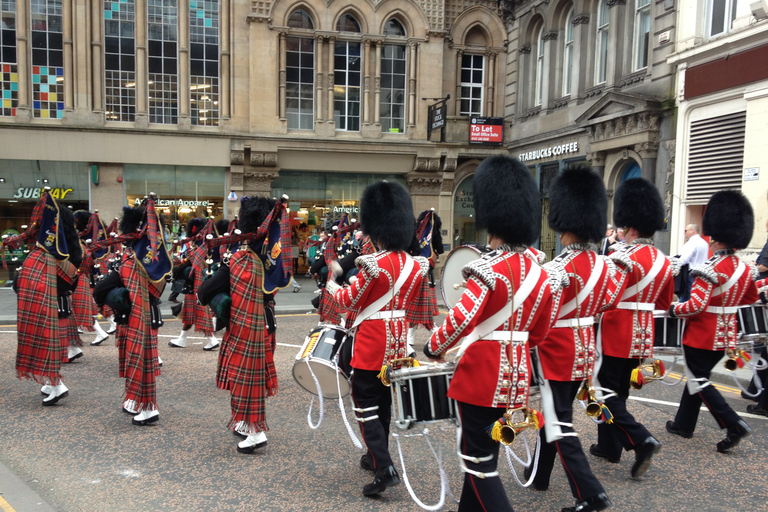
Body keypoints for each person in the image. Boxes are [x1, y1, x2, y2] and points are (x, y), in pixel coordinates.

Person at [423, 156, 555, 512]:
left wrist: (433, 346)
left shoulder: (487, 269)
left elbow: (462, 319)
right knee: (483, 459)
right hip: (516, 377)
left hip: (482, 376)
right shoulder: (542, 274)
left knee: (478, 463)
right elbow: (540, 333)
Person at [532, 165, 628, 512]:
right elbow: (610, 303)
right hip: (586, 351)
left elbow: (539, 316)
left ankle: (591, 494)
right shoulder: (608, 266)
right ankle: (539, 474)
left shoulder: (556, 269)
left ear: (564, 225)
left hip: (555, 353)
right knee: (555, 413)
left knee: (560, 424)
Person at [326, 181, 428, 497]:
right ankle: (374, 457)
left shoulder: (373, 264)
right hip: (398, 344)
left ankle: (384, 469)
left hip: (371, 343)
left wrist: (331, 288)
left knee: (365, 404)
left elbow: (348, 301)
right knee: (383, 404)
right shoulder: (415, 264)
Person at [590, 177, 674, 478]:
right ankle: (609, 448)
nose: (622, 232)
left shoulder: (622, 257)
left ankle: (641, 438)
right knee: (619, 392)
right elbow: (665, 302)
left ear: (632, 227)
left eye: (624, 227)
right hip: (642, 338)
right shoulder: (663, 261)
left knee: (602, 392)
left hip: (615, 334)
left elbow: (606, 298)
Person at [666, 190, 757, 451]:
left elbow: (695, 306)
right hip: (727, 335)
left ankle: (733, 423)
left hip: (702, 334)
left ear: (714, 238)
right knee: (699, 377)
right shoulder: (745, 268)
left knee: (699, 380)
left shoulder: (708, 269)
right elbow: (749, 299)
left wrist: (673, 309)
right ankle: (684, 424)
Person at [197, 196, 288, 454]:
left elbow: (204, 293)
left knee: (246, 379)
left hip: (245, 327)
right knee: (253, 379)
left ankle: (255, 431)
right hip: (266, 324)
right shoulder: (273, 259)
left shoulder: (239, 259)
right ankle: (245, 422)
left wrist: (214, 290)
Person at [93, 196, 170, 425]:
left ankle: (148, 408)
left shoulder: (130, 261)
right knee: (139, 362)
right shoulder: (157, 262)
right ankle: (136, 401)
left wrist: (114, 297)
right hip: (146, 315)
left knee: (140, 364)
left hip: (134, 317)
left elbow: (99, 291)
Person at [5, 188, 81, 405]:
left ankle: (56, 384)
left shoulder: (44, 256)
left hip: (47, 303)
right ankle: (51, 381)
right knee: (53, 343)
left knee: (47, 342)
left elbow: (20, 284)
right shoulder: (62, 255)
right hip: (58, 300)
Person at [168, 218, 228, 351]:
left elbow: (196, 265)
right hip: (193, 286)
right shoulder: (201, 248)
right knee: (188, 314)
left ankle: (211, 340)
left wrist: (187, 254)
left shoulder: (201, 250)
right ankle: (182, 339)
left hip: (198, 286)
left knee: (201, 313)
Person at [676, 224, 710, 301]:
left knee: (688, 297)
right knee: (694, 296)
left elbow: (684, 259)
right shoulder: (704, 243)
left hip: (691, 273)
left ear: (692, 231)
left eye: (686, 231)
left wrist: (674, 265)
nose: (684, 233)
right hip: (701, 272)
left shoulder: (692, 243)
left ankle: (681, 311)